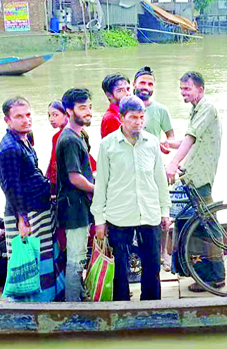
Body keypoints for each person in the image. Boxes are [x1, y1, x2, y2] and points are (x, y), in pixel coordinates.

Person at [92, 96, 171, 301]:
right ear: (122, 118)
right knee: (120, 267)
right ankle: (121, 309)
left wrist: (165, 211)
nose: (138, 121)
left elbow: (160, 180)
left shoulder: (152, 142)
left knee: (152, 265)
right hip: (119, 216)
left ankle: (152, 307)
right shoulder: (107, 145)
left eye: (141, 117)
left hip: (149, 212)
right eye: (133, 117)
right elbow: (101, 184)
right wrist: (99, 219)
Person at [0, 97, 64, 302]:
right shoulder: (9, 149)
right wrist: (22, 220)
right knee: (29, 261)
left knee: (44, 255)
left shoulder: (24, 140)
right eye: (19, 117)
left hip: (39, 208)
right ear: (7, 120)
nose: (26, 120)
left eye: (28, 115)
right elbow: (11, 187)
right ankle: (29, 306)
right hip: (26, 213)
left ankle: (47, 300)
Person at [165, 71, 225, 292]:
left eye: (187, 88)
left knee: (208, 226)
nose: (183, 92)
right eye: (181, 89)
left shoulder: (207, 107)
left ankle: (216, 277)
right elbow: (191, 138)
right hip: (193, 174)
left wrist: (173, 163)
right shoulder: (196, 109)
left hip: (200, 176)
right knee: (198, 225)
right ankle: (202, 274)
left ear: (200, 89)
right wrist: (170, 145)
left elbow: (191, 137)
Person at [56, 88, 96, 302]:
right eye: (82, 108)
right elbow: (75, 178)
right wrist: (98, 189)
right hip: (73, 207)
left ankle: (77, 297)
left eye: (89, 107)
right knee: (76, 259)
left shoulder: (77, 135)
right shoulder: (70, 140)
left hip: (79, 205)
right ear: (69, 111)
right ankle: (73, 306)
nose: (88, 112)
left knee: (78, 256)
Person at [133, 66, 175, 151]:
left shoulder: (161, 109)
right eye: (142, 83)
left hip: (154, 160)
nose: (146, 87)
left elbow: (171, 135)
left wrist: (166, 144)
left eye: (150, 84)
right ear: (134, 84)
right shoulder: (124, 108)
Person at [100, 73, 131, 138]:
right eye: (120, 90)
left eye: (128, 89)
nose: (127, 93)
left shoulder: (122, 113)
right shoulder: (111, 118)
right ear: (109, 95)